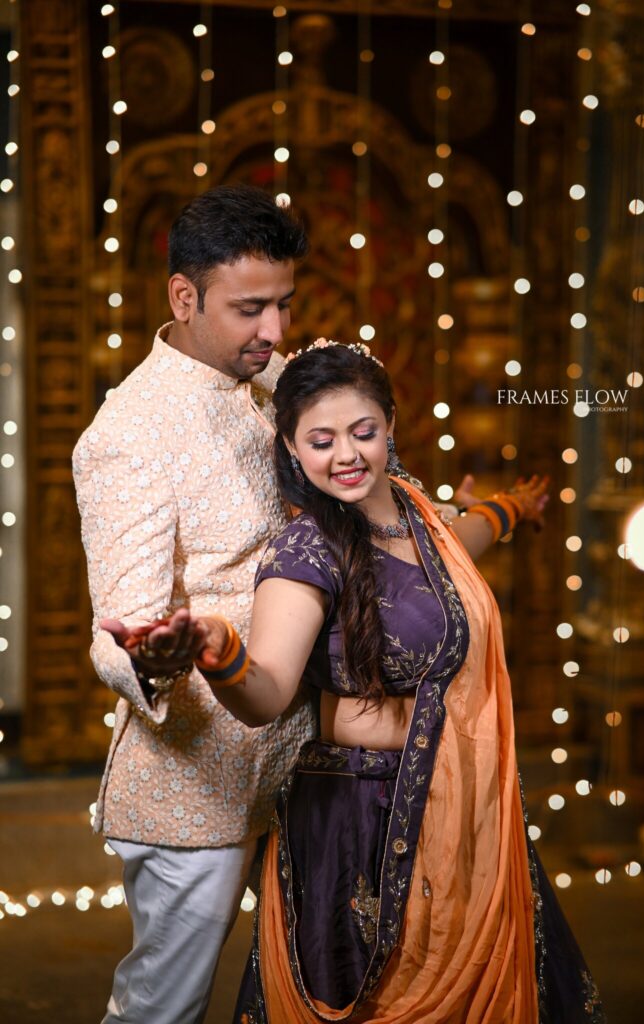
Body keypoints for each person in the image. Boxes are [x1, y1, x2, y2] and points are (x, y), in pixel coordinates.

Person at [133, 340, 602, 1023]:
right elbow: (264, 694)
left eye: (363, 432)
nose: (346, 455)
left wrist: (508, 511)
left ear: (390, 428)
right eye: (320, 441)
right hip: (363, 821)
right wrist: (218, 649)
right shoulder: (305, 552)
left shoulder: (417, 516)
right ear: (292, 450)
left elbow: (461, 541)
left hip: (467, 808)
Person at [72, 184, 317, 1024]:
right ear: (185, 297)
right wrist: (149, 656)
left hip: (301, 760)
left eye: (284, 304)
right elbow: (117, 629)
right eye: (251, 308)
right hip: (193, 784)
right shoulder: (127, 437)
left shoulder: (270, 379)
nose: (275, 331)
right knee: (160, 1011)